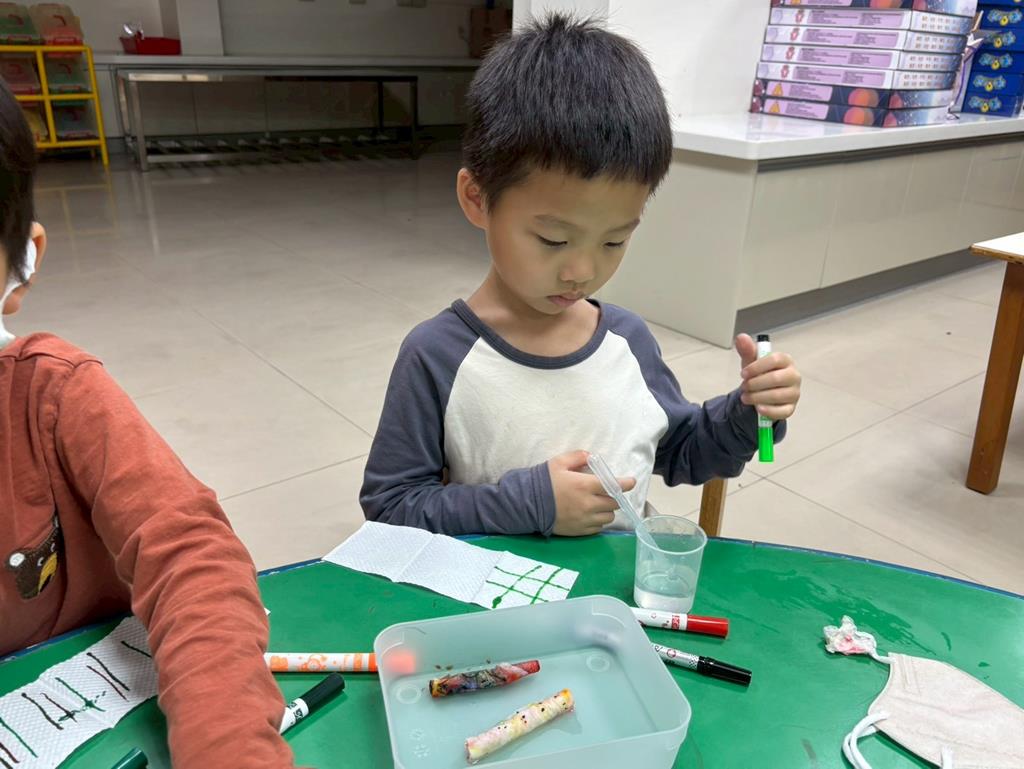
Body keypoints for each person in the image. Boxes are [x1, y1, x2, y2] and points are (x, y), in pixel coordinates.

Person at [361, 14, 802, 537]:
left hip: (616, 584)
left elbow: (683, 451)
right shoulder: (436, 356)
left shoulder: (627, 341)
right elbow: (391, 506)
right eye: (553, 239)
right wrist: (530, 504)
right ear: (477, 198)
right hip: (499, 587)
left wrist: (748, 413)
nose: (584, 271)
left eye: (614, 241)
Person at [0, 80, 299, 769]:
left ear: (23, 263)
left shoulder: (54, 393)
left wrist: (227, 748)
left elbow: (191, 555)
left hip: (96, 713)